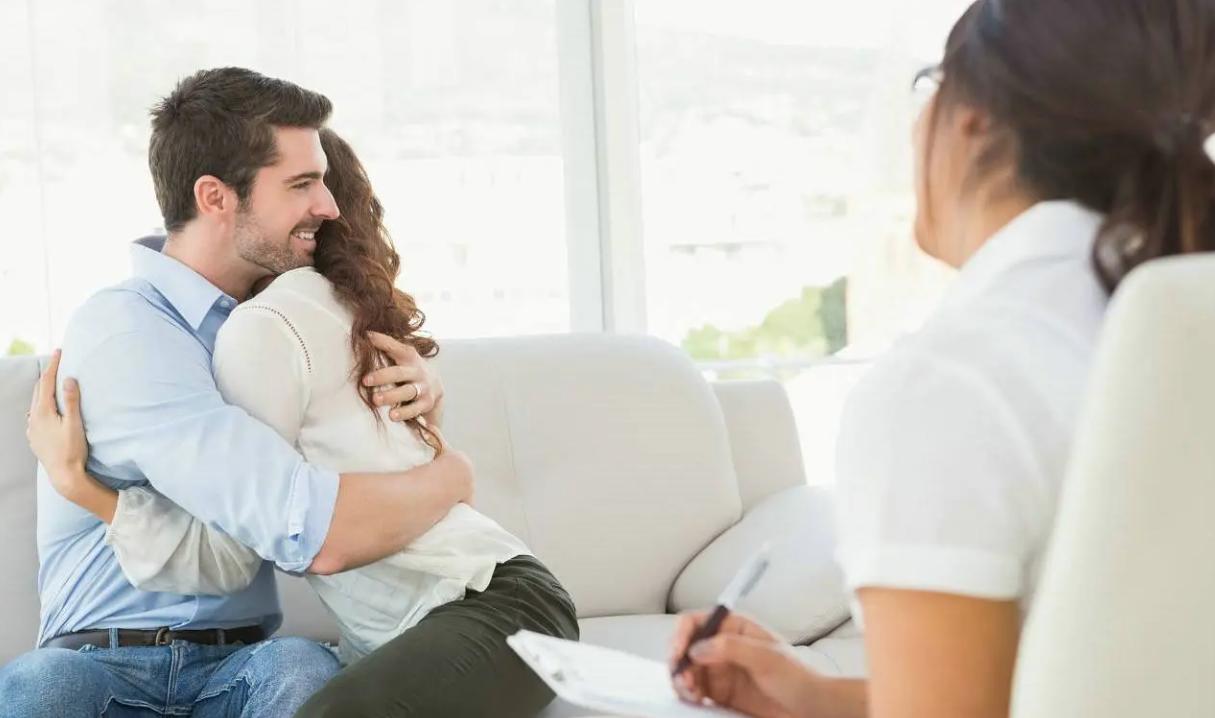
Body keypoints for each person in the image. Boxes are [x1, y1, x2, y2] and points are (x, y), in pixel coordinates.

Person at [668, 1, 1215, 716]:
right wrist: (814, 695)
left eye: (929, 84)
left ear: (974, 119)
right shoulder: (1167, 321)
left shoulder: (945, 387)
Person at [30, 126, 579, 717]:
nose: (322, 204)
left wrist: (82, 489)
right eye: (300, 185)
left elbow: (275, 549)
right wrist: (451, 467)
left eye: (317, 184)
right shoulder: (312, 313)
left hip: (486, 605)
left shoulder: (265, 326)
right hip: (496, 604)